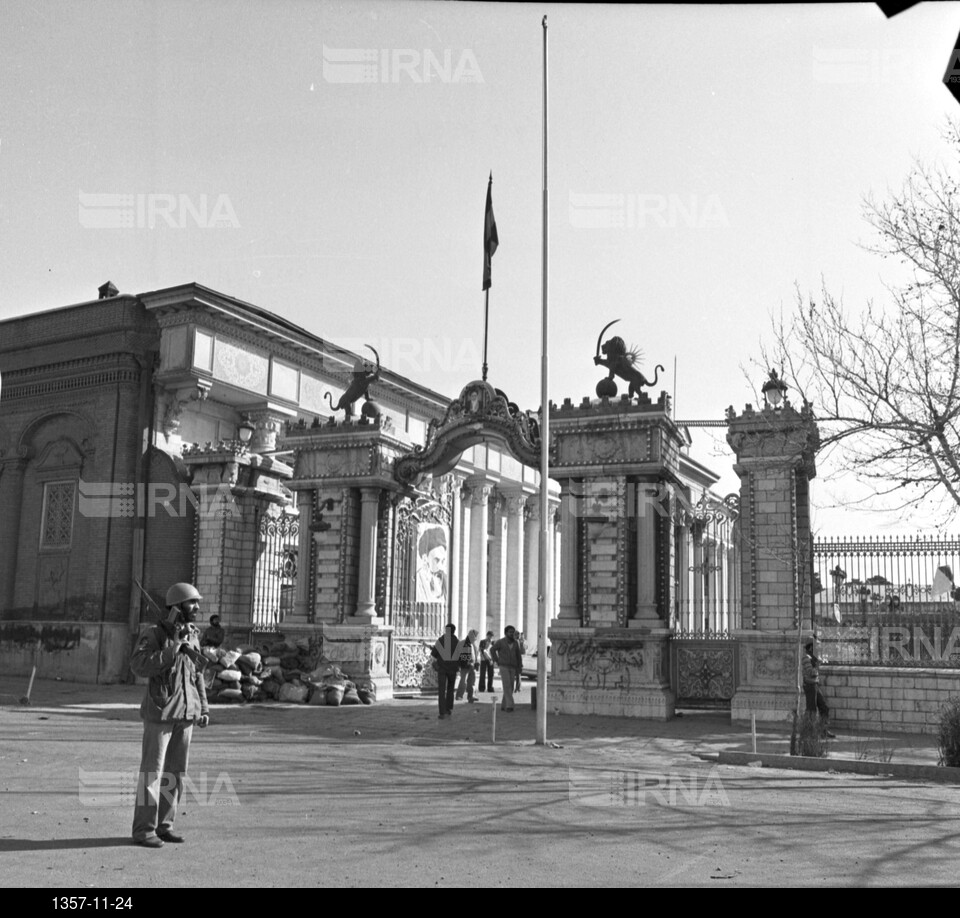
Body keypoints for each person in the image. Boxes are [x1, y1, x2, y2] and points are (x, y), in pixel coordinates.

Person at [130, 582, 210, 848]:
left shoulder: (193, 635)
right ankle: (144, 830)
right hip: (160, 713)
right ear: (176, 607)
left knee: (175, 774)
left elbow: (197, 674)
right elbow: (139, 665)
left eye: (197, 602)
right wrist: (171, 649)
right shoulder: (155, 634)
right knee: (152, 774)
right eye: (191, 602)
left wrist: (204, 708)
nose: (197, 607)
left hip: (186, 714)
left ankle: (165, 826)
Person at [802, 640, 835, 737]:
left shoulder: (812, 658)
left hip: (815, 685)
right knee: (811, 710)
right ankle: (809, 731)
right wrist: (817, 665)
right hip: (809, 685)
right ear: (811, 648)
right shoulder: (806, 658)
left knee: (824, 707)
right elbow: (811, 672)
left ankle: (823, 730)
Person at [431, 622, 460, 719]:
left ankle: (442, 712)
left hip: (442, 668)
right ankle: (449, 708)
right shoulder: (457, 642)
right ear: (454, 631)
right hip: (453, 668)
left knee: (442, 690)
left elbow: (434, 653)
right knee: (451, 689)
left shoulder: (441, 640)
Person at [491, 625, 523, 712]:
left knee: (511, 686)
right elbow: (492, 650)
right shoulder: (500, 642)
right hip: (503, 666)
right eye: (510, 632)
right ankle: (510, 705)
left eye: (513, 632)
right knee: (507, 685)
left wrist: (520, 667)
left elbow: (518, 656)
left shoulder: (516, 643)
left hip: (513, 667)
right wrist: (497, 660)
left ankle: (504, 704)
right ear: (506, 633)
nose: (512, 634)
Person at [416, 527, 448, 602]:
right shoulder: (417, 581)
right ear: (425, 559)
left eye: (443, 561)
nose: (441, 567)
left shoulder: (445, 579)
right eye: (436, 560)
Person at [455, 629, 479, 703]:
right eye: (474, 636)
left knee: (472, 681)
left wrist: (476, 662)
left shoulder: (474, 644)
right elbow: (457, 654)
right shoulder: (462, 643)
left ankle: (471, 696)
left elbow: (476, 654)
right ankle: (459, 695)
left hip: (472, 665)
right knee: (463, 681)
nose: (475, 638)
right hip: (464, 665)